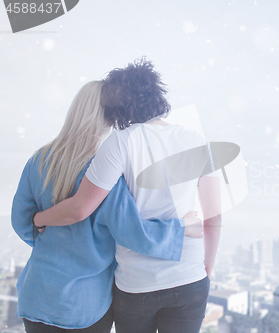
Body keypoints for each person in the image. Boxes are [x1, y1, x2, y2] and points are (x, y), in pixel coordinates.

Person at [34, 59, 222, 333]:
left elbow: (80, 208)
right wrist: (206, 269)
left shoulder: (120, 142)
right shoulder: (197, 141)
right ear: (158, 94)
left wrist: (40, 218)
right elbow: (214, 218)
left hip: (137, 285)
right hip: (188, 278)